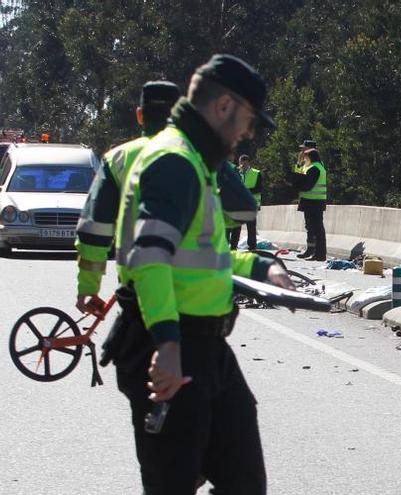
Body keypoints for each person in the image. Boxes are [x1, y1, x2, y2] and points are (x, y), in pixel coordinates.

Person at [111, 54, 292, 494]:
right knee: (173, 485)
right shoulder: (174, 160)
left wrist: (262, 266)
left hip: (208, 351)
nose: (249, 133)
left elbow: (203, 256)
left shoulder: (196, 161)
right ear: (225, 106)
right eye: (250, 120)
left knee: (243, 481)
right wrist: (169, 345)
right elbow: (149, 255)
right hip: (171, 347)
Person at [75, 81, 182, 309]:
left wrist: (88, 287)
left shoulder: (118, 159)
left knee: (130, 343)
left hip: (139, 281)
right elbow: (238, 210)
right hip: (198, 284)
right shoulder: (202, 156)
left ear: (140, 115)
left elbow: (96, 229)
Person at [290, 146, 328, 261]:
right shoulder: (310, 167)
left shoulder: (315, 168)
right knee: (311, 228)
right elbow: (299, 174)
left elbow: (307, 185)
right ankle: (311, 251)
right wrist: (298, 163)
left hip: (314, 202)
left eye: (305, 157)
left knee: (317, 229)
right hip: (310, 202)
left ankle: (319, 254)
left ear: (310, 157)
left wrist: (296, 186)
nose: (303, 159)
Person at [227, 154, 262, 250]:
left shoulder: (256, 173)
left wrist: (244, 191)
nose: (243, 165)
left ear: (248, 163)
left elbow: (259, 188)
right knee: (236, 227)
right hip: (238, 204)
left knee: (251, 227)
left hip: (251, 204)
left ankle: (252, 246)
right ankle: (233, 246)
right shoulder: (236, 172)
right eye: (241, 163)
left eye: (245, 163)